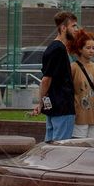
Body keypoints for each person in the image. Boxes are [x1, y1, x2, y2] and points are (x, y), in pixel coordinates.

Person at [31, 11, 79, 142]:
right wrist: (40, 103)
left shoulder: (54, 48)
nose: (76, 29)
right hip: (62, 107)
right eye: (73, 26)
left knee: (49, 148)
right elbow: (46, 79)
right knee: (60, 150)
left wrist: (42, 103)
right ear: (63, 28)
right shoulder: (58, 49)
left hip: (54, 107)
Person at [69, 30, 94, 139]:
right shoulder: (73, 67)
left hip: (93, 115)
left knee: (92, 146)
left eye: (93, 48)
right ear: (79, 48)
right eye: (88, 48)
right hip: (79, 116)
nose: (91, 51)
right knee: (79, 145)